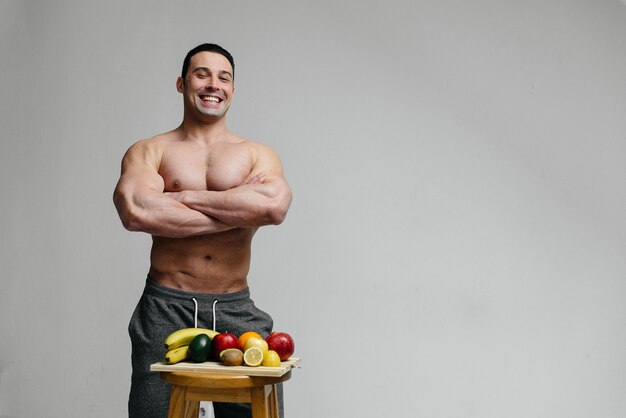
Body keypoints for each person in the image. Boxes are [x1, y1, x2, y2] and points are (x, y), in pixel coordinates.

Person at [113, 43, 292, 418]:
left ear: (233, 88)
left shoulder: (257, 153)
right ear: (181, 83)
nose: (213, 84)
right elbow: (135, 210)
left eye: (223, 77)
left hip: (235, 306)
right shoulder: (150, 150)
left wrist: (179, 197)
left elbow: (273, 207)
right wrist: (238, 205)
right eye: (202, 74)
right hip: (165, 306)